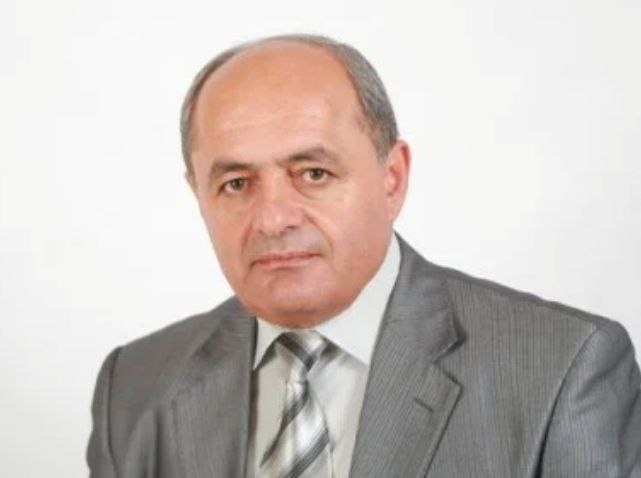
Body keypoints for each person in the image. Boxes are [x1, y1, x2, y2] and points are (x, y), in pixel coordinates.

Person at [87, 34, 641, 478]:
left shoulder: (563, 369)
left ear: (392, 178)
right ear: (198, 195)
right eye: (235, 183)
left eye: (313, 174)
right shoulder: (132, 386)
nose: (274, 218)